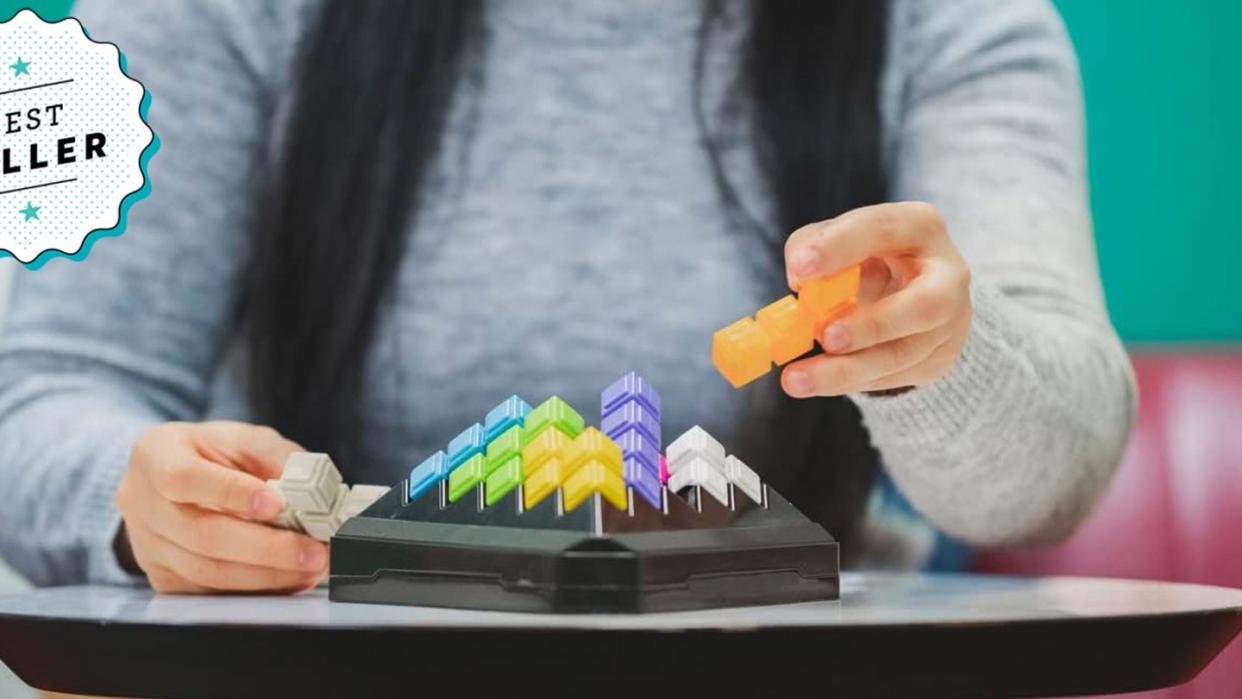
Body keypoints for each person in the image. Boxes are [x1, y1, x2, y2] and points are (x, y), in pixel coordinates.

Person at [0, 0, 1135, 592]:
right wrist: (149, 505)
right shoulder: (157, 22)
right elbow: (33, 384)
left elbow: (1052, 471)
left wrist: (941, 356)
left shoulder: (959, 21)